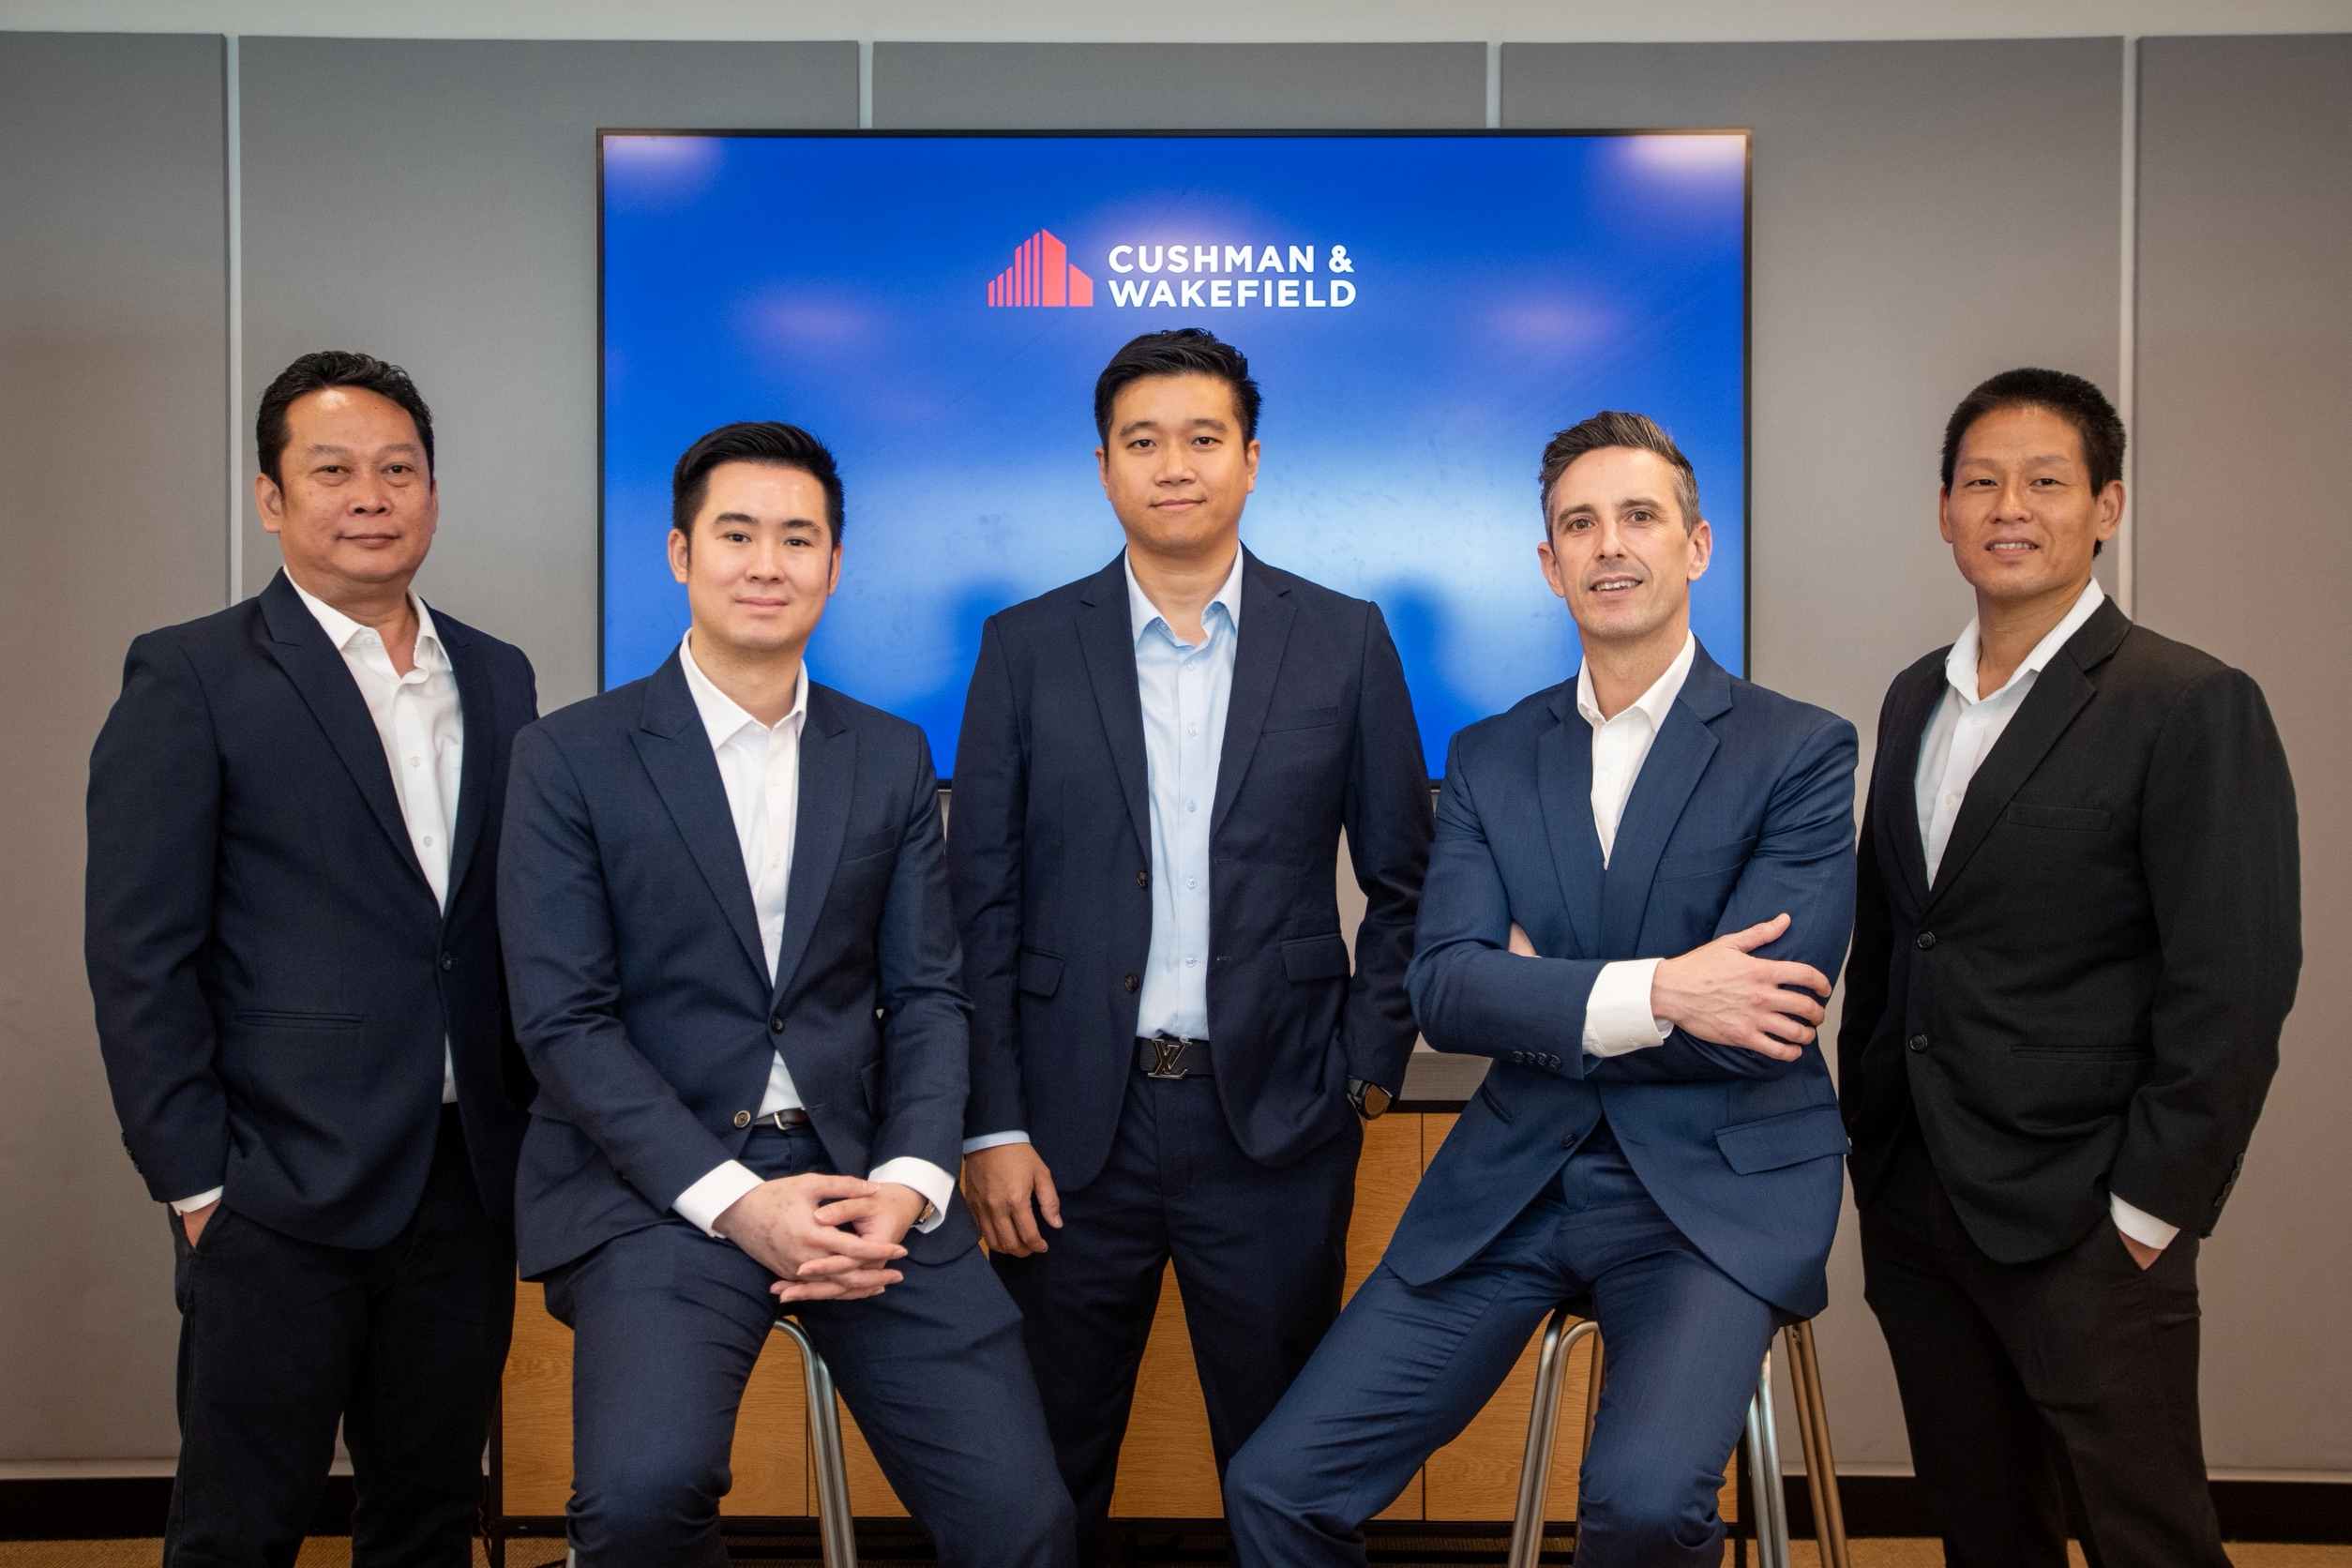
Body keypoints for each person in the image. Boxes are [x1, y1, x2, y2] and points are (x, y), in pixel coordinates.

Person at [1225, 410, 1857, 1567]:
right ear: (1549, 563)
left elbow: (1762, 1020)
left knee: (1643, 1503)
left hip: (1710, 1193)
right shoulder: (1489, 756)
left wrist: (1545, 992)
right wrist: (1669, 987)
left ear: (1696, 546)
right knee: (1276, 1486)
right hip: (1515, 1182)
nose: (1609, 544)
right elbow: (1448, 992)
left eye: (1639, 517)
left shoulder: (1800, 749)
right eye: (1579, 523)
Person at [499, 421, 1075, 1567]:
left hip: (863, 1179)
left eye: (798, 538)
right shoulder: (569, 756)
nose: (768, 563)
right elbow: (566, 1024)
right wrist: (736, 1203)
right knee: (640, 1502)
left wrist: (909, 1184)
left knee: (1024, 1521)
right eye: (737, 534)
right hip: (659, 1189)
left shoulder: (889, 754)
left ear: (835, 564)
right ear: (680, 553)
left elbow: (929, 995)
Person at [947, 327, 1430, 1556]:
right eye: (1144, 441)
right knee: (1040, 1476)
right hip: (1064, 1134)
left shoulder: (1344, 639)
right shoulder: (1023, 647)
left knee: (1285, 1477)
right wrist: (991, 1125)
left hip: (1273, 1122)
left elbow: (1406, 879)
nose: (1175, 466)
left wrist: (1365, 1073)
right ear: (1104, 465)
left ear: (1251, 459)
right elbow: (979, 903)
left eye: (1204, 438)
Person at [1841, 368, 2300, 1567]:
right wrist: (1872, 1144)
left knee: (2149, 1540)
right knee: (1985, 1534)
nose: (2010, 507)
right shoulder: (1915, 698)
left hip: (2088, 1216)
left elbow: (2236, 981)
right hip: (1919, 1201)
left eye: (2045, 481)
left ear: (2107, 507)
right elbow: (1897, 936)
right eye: (1981, 482)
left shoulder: (2188, 702)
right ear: (1944, 511)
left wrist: (2148, 1209)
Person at [86, 350, 539, 1565]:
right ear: (271, 497)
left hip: (462, 1180)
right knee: (239, 1529)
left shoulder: (497, 675)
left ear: (432, 492)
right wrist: (198, 1188)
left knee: (428, 1517)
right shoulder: (191, 674)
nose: (371, 497)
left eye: (399, 469)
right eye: (333, 470)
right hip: (274, 1187)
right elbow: (139, 953)